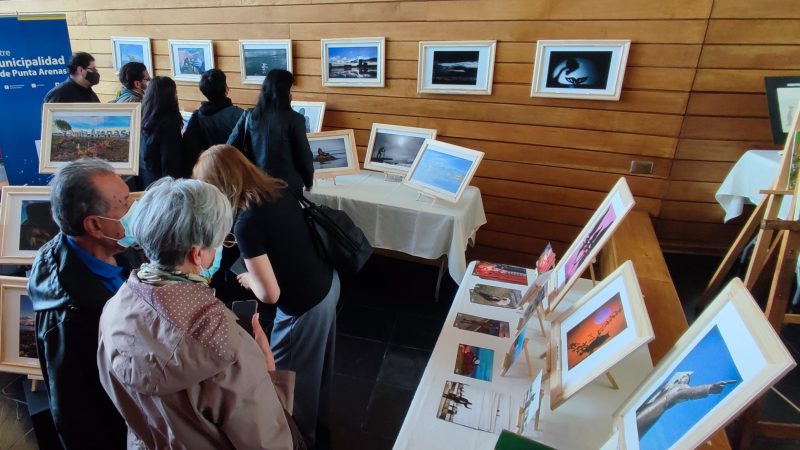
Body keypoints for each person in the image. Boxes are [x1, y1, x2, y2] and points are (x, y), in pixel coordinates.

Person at [97, 177, 301, 450]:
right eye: (217, 243)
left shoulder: (114, 307)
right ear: (197, 255)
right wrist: (266, 373)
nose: (217, 251)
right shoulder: (227, 345)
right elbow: (269, 443)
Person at [194, 145, 338, 448]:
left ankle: (297, 438)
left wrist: (247, 277)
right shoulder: (277, 188)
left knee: (288, 380)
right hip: (327, 284)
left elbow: (269, 295)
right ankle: (317, 425)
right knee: (317, 368)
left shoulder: (246, 222)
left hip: (303, 305)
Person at [27, 158, 143, 449]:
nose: (134, 211)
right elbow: (75, 413)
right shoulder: (70, 316)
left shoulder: (118, 250)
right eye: (125, 205)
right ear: (94, 225)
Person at [227, 69, 313, 194]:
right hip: (287, 187)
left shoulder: (248, 116)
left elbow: (229, 148)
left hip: (254, 184)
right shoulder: (295, 119)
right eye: (290, 90)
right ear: (286, 92)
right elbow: (304, 156)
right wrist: (308, 181)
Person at [182, 68, 245, 177]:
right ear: (226, 88)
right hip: (236, 172)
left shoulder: (197, 117)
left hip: (208, 172)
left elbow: (189, 151)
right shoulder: (241, 115)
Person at [636, 371, 738, 436]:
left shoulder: (680, 388)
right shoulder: (667, 385)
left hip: (658, 407)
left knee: (637, 424)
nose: (683, 379)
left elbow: (690, 392)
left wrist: (710, 388)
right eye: (683, 377)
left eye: (686, 379)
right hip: (642, 406)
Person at [138, 76, 183, 189]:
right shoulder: (168, 121)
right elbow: (169, 158)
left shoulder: (142, 114)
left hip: (146, 174)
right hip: (164, 180)